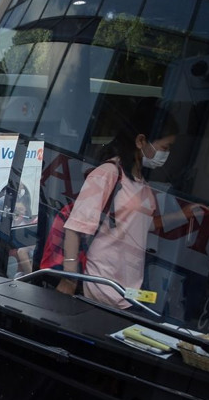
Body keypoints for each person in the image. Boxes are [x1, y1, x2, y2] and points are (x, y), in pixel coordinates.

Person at [56, 103, 182, 309]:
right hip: (100, 286)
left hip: (131, 291)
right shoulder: (108, 174)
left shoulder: (142, 183)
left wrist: (183, 215)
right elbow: (74, 227)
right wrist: (69, 278)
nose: (166, 155)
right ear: (141, 140)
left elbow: (142, 225)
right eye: (164, 148)